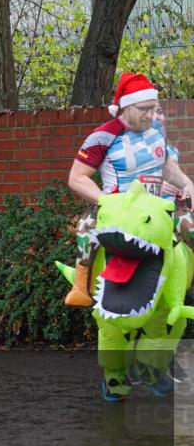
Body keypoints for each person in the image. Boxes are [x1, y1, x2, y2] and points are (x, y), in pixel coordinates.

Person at [65, 73, 194, 307]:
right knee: (85, 227)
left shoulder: (156, 130)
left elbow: (166, 165)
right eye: (144, 109)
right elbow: (76, 178)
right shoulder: (103, 135)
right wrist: (106, 201)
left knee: (191, 227)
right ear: (125, 107)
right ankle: (81, 286)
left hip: (156, 207)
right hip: (119, 208)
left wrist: (187, 183)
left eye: (153, 108)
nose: (150, 114)